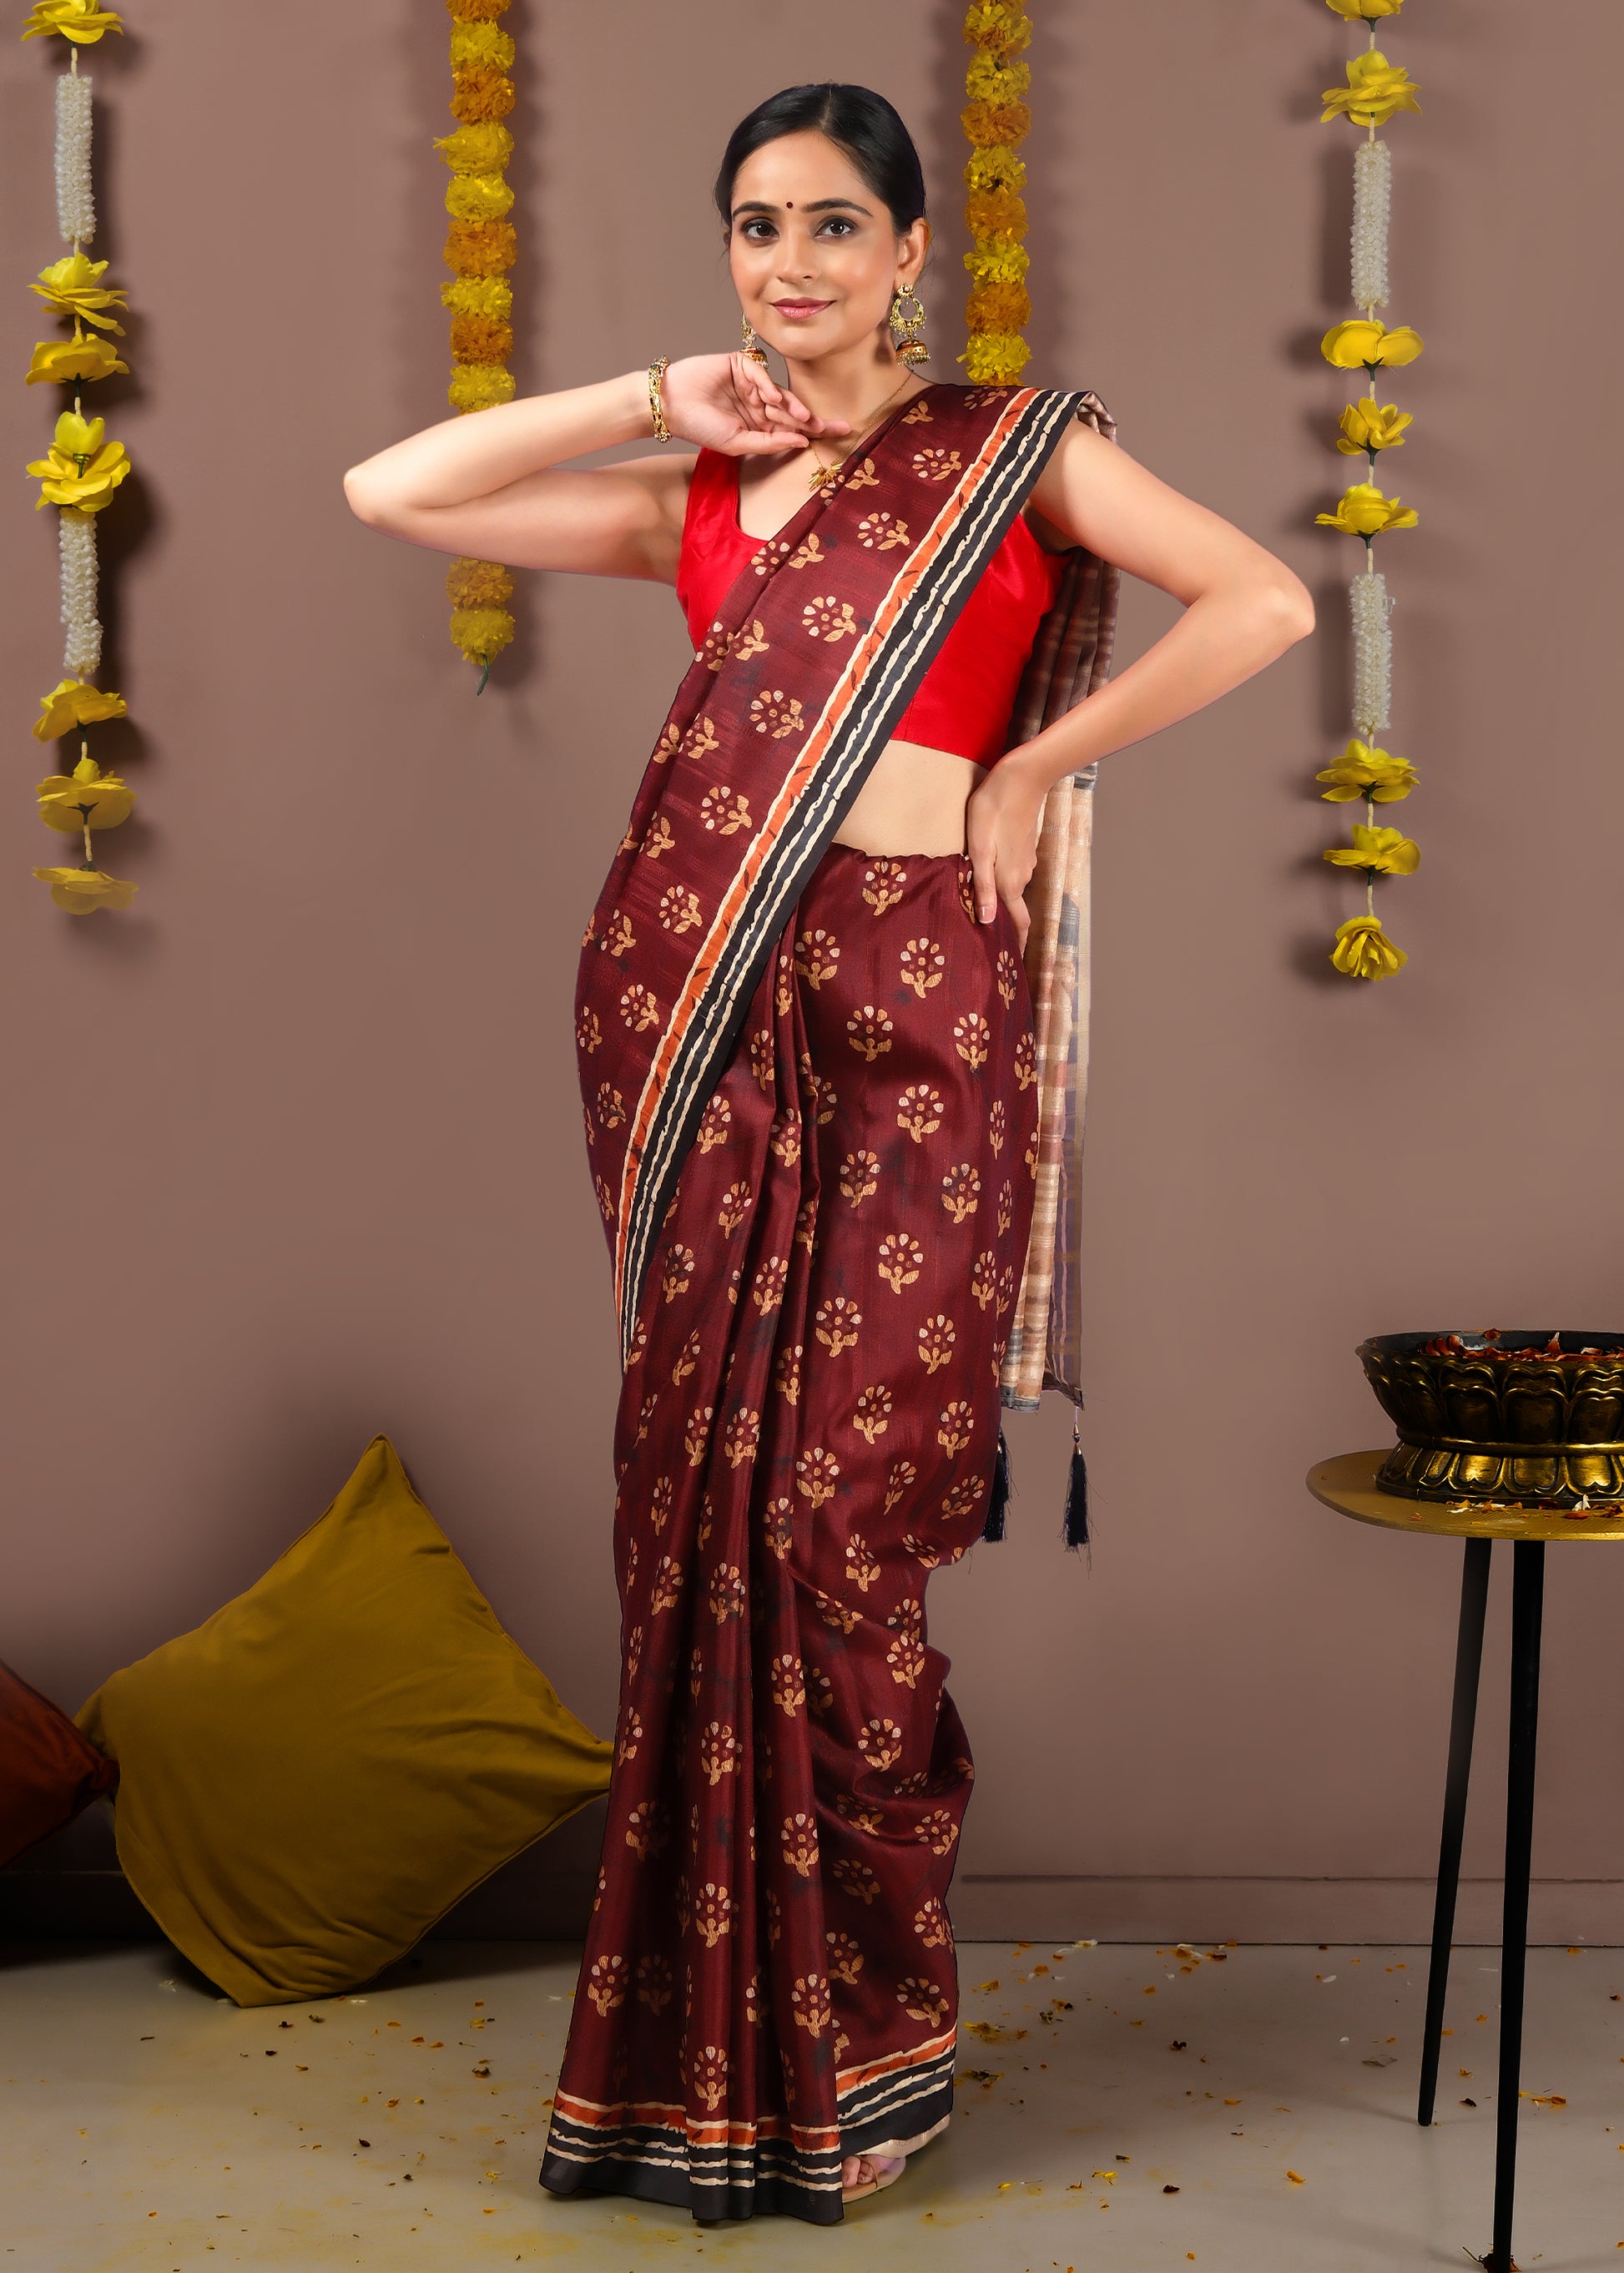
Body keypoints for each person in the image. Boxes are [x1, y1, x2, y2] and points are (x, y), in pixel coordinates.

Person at [343, 80, 1313, 2228]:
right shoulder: (700, 485)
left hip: (914, 1008)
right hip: (703, 1014)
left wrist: (1038, 773)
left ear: (906, 254)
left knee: (835, 1526)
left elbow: (1260, 605)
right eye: (756, 229)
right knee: (697, 1517)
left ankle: (856, 2062)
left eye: (833, 226)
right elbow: (386, 487)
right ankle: (700, 2079)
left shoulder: (1013, 451)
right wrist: (638, 394)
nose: (792, 266)